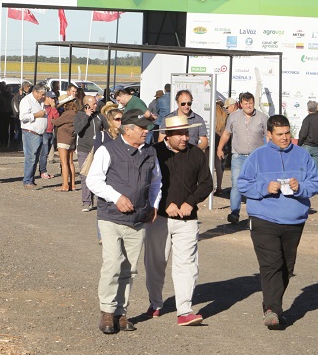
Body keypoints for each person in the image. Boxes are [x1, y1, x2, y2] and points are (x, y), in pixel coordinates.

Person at [237, 114, 318, 328]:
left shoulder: (302, 156)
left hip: (294, 221)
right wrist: (264, 188)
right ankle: (272, 309)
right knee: (271, 264)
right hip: (264, 219)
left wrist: (300, 187)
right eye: (280, 134)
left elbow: (315, 183)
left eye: (287, 134)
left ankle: (273, 304)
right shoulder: (257, 157)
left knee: (286, 267)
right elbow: (242, 184)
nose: (285, 138)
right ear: (269, 135)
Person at [86, 110, 161, 334]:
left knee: (130, 268)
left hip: (138, 218)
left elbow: (157, 181)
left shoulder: (150, 152)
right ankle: (107, 312)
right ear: (128, 130)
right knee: (113, 264)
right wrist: (116, 197)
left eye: (147, 128)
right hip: (111, 217)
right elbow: (93, 180)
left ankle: (121, 312)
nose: (146, 132)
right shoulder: (107, 150)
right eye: (142, 128)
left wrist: (154, 205)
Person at [144, 115, 214, 326]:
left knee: (187, 264)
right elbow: (146, 183)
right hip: (159, 219)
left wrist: (190, 202)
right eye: (181, 134)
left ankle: (184, 309)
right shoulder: (154, 153)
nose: (185, 137)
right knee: (156, 263)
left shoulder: (196, 154)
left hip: (187, 219)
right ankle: (155, 303)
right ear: (167, 135)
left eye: (187, 133)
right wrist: (165, 204)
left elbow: (206, 183)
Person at [217, 93, 267, 224]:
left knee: (254, 185)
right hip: (238, 156)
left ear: (254, 103)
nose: (248, 106)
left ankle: (253, 214)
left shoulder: (262, 117)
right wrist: (219, 147)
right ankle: (234, 213)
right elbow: (226, 133)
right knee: (236, 185)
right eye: (246, 103)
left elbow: (269, 136)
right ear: (241, 104)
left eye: (250, 103)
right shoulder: (233, 117)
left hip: (256, 158)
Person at [74, 94, 107, 212]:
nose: (96, 105)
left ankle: (101, 202)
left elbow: (108, 129)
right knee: (85, 176)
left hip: (98, 150)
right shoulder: (79, 116)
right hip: (84, 150)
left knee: (100, 175)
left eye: (96, 103)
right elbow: (77, 130)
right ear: (86, 105)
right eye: (93, 103)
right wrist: (86, 117)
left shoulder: (99, 116)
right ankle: (86, 202)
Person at [19, 84, 48, 189]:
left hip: (39, 133)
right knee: (31, 158)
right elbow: (22, 117)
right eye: (42, 94)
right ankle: (27, 180)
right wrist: (36, 115)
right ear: (35, 92)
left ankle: (31, 179)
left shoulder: (40, 102)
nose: (43, 96)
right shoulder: (26, 101)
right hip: (30, 133)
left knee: (35, 159)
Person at [53, 96, 79, 191]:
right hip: (71, 138)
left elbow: (56, 122)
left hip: (63, 139)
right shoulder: (76, 113)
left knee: (64, 163)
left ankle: (65, 185)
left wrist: (51, 118)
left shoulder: (67, 114)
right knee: (70, 162)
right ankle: (72, 184)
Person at [298, 100, 318, 174]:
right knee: (315, 168)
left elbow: (303, 134)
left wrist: (299, 144)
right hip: (316, 147)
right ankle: (316, 184)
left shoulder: (307, 119)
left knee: (303, 167)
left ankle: (303, 183)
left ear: (308, 109)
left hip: (306, 145)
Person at [39, 91, 59, 180]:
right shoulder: (42, 106)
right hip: (44, 131)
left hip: (51, 131)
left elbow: (57, 118)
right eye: (51, 98)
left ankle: (44, 171)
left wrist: (54, 108)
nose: (53, 100)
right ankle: (43, 171)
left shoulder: (52, 107)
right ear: (47, 97)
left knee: (46, 153)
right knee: (43, 153)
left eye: (54, 98)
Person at [212, 98, 229, 195]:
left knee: (209, 166)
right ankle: (219, 187)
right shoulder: (224, 115)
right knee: (219, 167)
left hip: (212, 142)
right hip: (221, 143)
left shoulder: (212, 114)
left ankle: (210, 187)